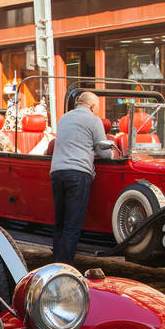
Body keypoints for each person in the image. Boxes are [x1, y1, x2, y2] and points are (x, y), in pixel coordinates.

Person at [49, 90, 107, 265]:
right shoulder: (94, 120)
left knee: (59, 222)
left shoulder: (64, 118)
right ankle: (65, 266)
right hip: (78, 172)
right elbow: (104, 153)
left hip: (57, 171)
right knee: (72, 225)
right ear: (92, 106)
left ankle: (56, 263)